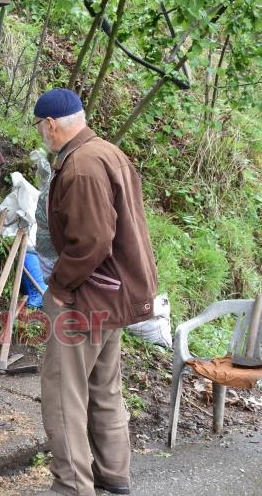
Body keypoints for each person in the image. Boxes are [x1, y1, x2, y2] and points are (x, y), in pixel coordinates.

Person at [33, 88, 158, 496]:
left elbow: (93, 241)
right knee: (104, 386)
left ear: (51, 124)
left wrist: (60, 286)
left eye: (39, 127)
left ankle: (72, 485)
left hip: (87, 297)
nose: (41, 135)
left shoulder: (81, 165)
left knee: (62, 392)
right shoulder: (106, 151)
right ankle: (112, 473)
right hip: (114, 293)